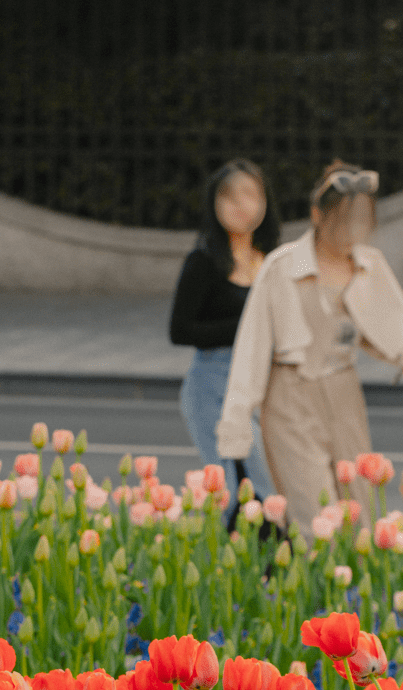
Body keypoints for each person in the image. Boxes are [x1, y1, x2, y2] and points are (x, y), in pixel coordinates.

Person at [217, 160, 403, 536]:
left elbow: (395, 332)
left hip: (344, 393)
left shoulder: (371, 264)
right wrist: (236, 430)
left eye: (361, 221)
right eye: (343, 220)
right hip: (290, 397)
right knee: (313, 516)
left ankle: (356, 595)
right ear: (318, 215)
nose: (352, 231)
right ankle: (318, 594)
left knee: (361, 510)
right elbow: (251, 352)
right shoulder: (281, 268)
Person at [170, 160, 280, 511]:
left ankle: (267, 563)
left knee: (268, 487)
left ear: (265, 203)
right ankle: (221, 563)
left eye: (250, 195)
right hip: (213, 385)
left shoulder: (273, 261)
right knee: (228, 491)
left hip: (263, 387)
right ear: (214, 205)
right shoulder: (203, 262)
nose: (240, 206)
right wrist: (246, 328)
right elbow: (180, 330)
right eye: (228, 197)